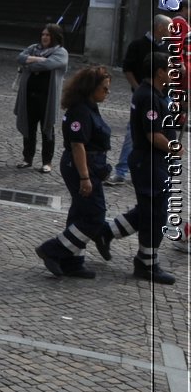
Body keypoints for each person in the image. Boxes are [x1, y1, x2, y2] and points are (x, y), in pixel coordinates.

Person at [99, 52, 178, 284]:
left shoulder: (155, 93)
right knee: (156, 214)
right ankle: (146, 264)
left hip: (154, 161)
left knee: (149, 210)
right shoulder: (149, 97)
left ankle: (107, 232)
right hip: (150, 162)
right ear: (160, 71)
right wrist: (175, 148)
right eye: (170, 68)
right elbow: (153, 135)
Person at [35, 65, 118, 279]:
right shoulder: (80, 111)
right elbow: (78, 145)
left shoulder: (89, 106)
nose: (107, 93)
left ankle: (73, 261)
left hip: (90, 165)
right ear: (91, 88)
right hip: (81, 166)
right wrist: (85, 177)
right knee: (94, 215)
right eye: (104, 89)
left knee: (81, 212)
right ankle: (53, 249)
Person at [111, 15, 171, 185]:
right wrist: (137, 87)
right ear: (160, 28)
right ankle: (121, 171)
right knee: (133, 132)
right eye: (169, 28)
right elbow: (127, 68)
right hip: (144, 96)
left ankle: (158, 169)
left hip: (164, 96)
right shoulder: (138, 45)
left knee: (164, 132)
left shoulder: (168, 45)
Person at [15, 23, 69, 172]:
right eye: (43, 34)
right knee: (29, 128)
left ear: (55, 37)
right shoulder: (34, 48)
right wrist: (38, 60)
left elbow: (49, 65)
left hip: (47, 98)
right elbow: (20, 57)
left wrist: (31, 62)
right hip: (29, 96)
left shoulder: (61, 52)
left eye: (48, 35)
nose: (44, 37)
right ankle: (27, 158)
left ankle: (47, 162)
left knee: (47, 129)